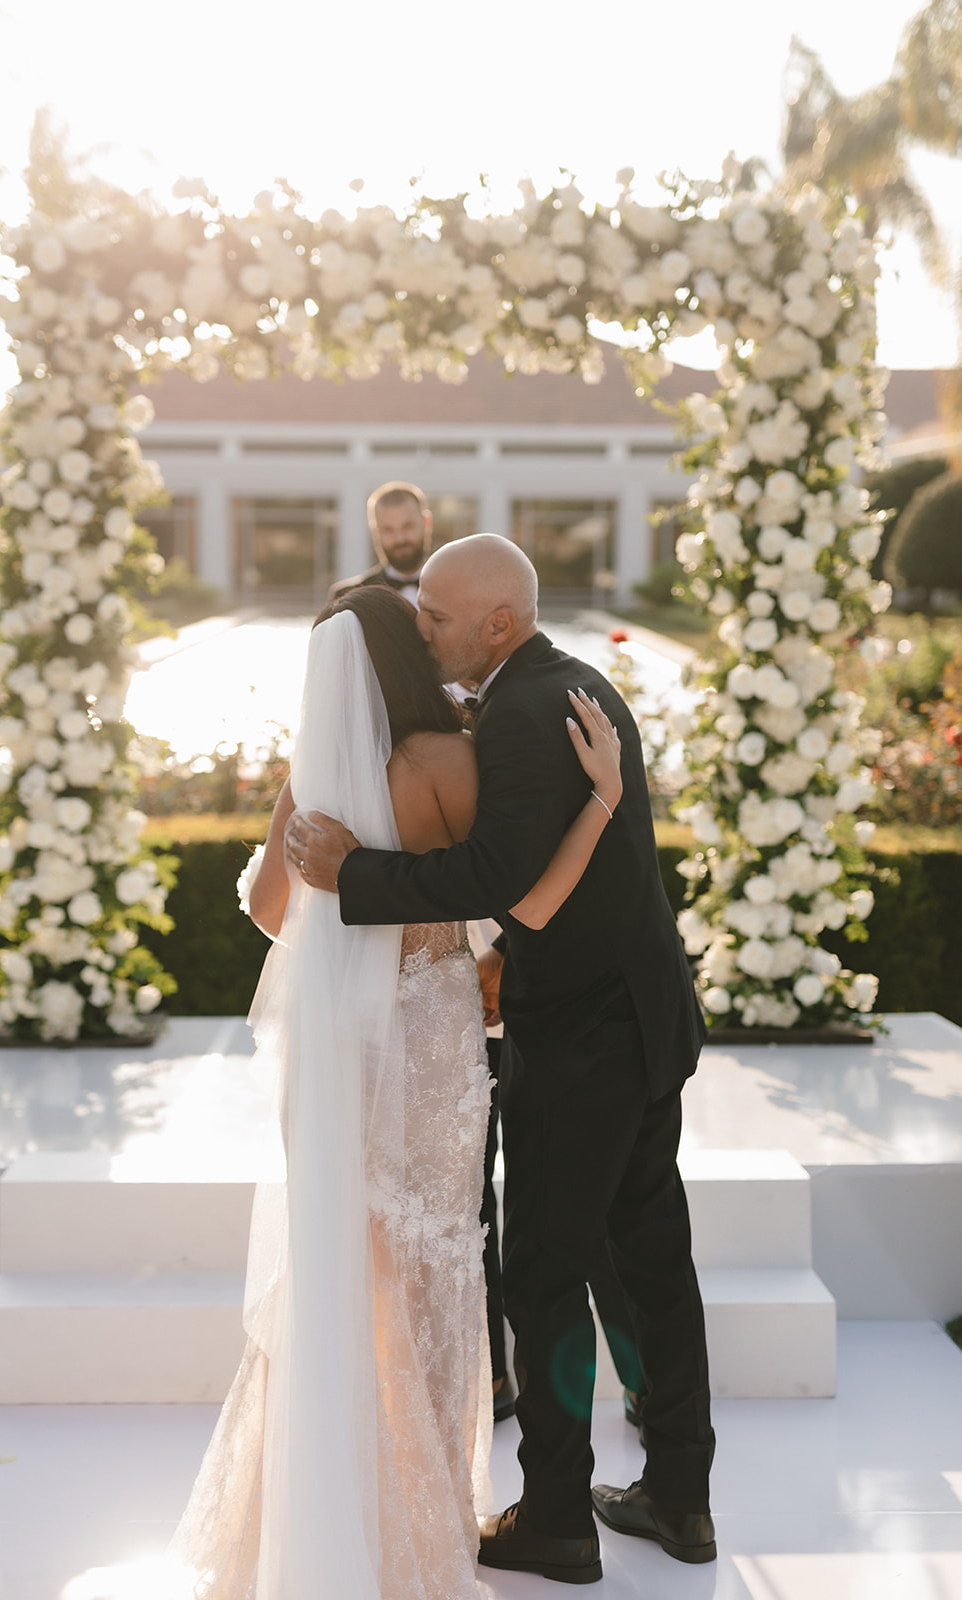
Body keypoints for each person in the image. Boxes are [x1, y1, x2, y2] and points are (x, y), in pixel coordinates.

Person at [167, 583, 623, 1600]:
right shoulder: (443, 759)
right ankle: (420, 1524)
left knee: (345, 1270)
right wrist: (591, 814)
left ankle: (322, 1514)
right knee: (436, 1262)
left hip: (335, 1051)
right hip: (427, 1036)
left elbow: (264, 909)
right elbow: (516, 896)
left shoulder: (315, 775)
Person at [288, 534, 716, 1584]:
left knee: (541, 1270)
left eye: (435, 611)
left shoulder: (525, 712)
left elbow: (503, 878)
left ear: (498, 622)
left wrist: (356, 874)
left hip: (581, 1040)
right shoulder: (570, 684)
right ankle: (677, 1494)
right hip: (636, 1020)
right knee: (646, 1256)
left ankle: (560, 1517)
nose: (419, 624)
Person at [329, 481, 432, 604]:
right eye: (388, 530)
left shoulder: (456, 584)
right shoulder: (347, 596)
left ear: (426, 522)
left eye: (407, 526)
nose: (399, 539)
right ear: (375, 532)